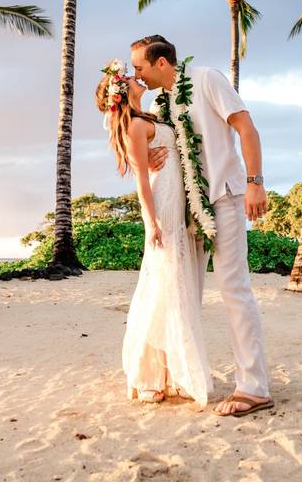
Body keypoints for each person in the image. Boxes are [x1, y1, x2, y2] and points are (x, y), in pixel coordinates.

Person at [130, 35, 274, 418]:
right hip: (184, 207)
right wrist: (158, 153)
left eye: (139, 67)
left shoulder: (207, 78)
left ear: (162, 63)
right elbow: (159, 144)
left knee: (233, 287)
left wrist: (255, 182)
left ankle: (254, 386)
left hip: (225, 195)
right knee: (182, 289)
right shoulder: (159, 103)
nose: (136, 75)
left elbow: (247, 128)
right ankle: (178, 374)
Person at [95, 59, 212, 407]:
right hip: (161, 206)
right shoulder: (133, 125)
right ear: (121, 93)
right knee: (161, 287)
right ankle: (149, 376)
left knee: (173, 289)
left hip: (175, 203)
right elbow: (141, 181)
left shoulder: (151, 118)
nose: (135, 77)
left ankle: (169, 373)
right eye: (127, 78)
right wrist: (152, 222)